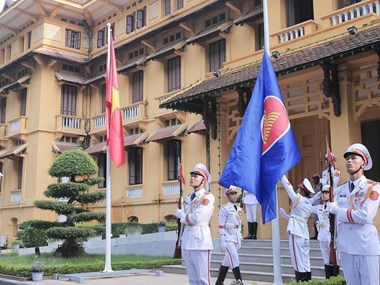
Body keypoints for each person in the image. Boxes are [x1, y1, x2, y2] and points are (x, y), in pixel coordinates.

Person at [326, 143, 380, 285]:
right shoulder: (339, 190)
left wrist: (337, 210)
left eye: (354, 158)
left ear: (363, 163)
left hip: (365, 246)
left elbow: (364, 216)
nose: (349, 161)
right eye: (347, 158)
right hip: (346, 246)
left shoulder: (373, 187)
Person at [176, 163, 215, 285]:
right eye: (191, 175)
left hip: (201, 241)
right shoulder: (188, 198)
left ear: (203, 180)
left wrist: (182, 216)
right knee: (192, 280)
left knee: (203, 280)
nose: (192, 178)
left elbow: (196, 218)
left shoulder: (207, 197)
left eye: (196, 176)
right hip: (188, 241)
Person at [280, 175, 319, 282]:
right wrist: (285, 216)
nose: (297, 189)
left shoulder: (298, 198)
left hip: (296, 232)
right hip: (304, 234)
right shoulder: (308, 203)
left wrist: (282, 175)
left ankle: (300, 283)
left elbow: (289, 188)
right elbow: (297, 218)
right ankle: (308, 283)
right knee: (305, 261)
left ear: (302, 191)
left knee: (297, 262)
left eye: (299, 188)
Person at [215, 185, 243, 285]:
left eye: (235, 193)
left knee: (227, 261)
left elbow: (239, 225)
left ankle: (219, 282)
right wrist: (222, 240)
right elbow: (221, 225)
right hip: (228, 237)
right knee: (234, 258)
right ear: (227, 195)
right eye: (232, 194)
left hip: (235, 237)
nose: (234, 196)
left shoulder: (239, 209)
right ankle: (240, 281)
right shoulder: (224, 208)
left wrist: (240, 239)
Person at [311, 184, 331, 278]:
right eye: (323, 193)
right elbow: (307, 206)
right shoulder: (319, 207)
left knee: (334, 259)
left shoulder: (334, 206)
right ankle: (328, 279)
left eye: (326, 193)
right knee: (326, 259)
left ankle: (335, 279)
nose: (324, 195)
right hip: (322, 235)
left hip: (331, 236)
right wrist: (314, 198)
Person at [310, 174, 322, 239]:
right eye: (313, 179)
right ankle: (316, 235)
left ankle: (320, 234)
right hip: (313, 205)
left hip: (319, 205)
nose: (314, 180)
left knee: (320, 220)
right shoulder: (312, 187)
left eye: (315, 179)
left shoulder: (320, 187)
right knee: (315, 220)